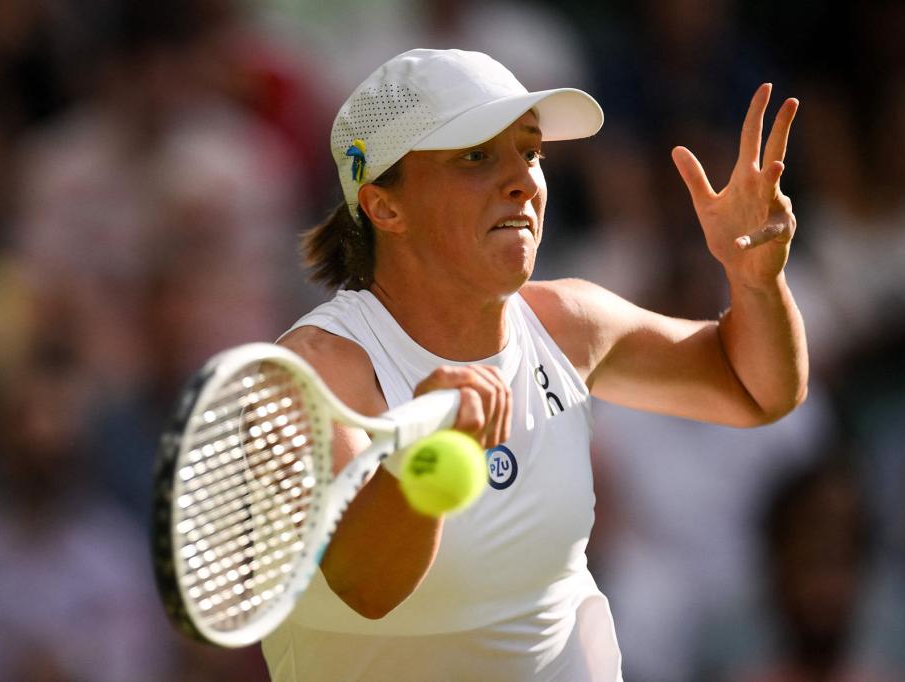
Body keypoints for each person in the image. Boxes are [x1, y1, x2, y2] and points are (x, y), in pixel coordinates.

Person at [263, 48, 806, 681]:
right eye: (475, 156)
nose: (523, 178)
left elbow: (757, 390)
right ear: (385, 205)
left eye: (531, 151)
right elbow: (366, 584)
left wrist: (755, 281)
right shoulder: (311, 373)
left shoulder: (570, 324)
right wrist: (432, 455)